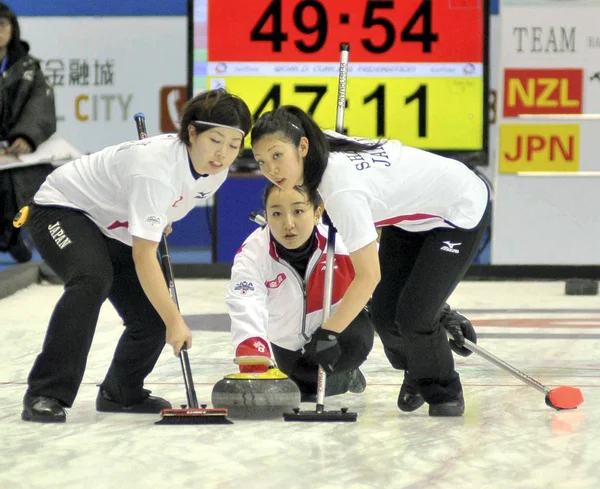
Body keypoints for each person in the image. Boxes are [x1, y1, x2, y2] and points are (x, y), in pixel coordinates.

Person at [20, 89, 252, 423]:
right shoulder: (153, 169)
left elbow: (168, 205)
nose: (223, 153)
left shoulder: (216, 174)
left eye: (234, 144)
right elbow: (145, 256)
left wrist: (162, 216)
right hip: (61, 207)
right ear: (191, 132)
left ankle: (121, 391)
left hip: (114, 226)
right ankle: (45, 392)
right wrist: (176, 321)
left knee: (152, 316)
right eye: (215, 140)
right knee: (92, 278)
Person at [251, 106, 489, 417]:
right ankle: (417, 368)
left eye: (277, 155)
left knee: (414, 315)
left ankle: (443, 388)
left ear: (303, 147)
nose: (271, 169)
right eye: (261, 162)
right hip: (410, 219)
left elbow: (367, 276)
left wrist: (329, 332)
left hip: (458, 210)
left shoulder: (340, 190)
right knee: (384, 313)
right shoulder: (319, 145)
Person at [226, 182, 374, 402]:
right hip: (288, 340)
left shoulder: (342, 243)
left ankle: (347, 367)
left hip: (339, 329)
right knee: (305, 392)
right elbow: (246, 302)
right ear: (266, 215)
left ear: (317, 212)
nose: (288, 223)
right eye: (276, 213)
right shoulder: (253, 255)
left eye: (298, 211)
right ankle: (346, 378)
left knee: (354, 343)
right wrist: (252, 347)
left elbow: (385, 277)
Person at [0, 2, 57, 263]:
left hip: (16, 150)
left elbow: (40, 104)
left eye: (2, 25)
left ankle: (11, 238)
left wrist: (25, 136)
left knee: (21, 189)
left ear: (12, 29)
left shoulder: (29, 68)